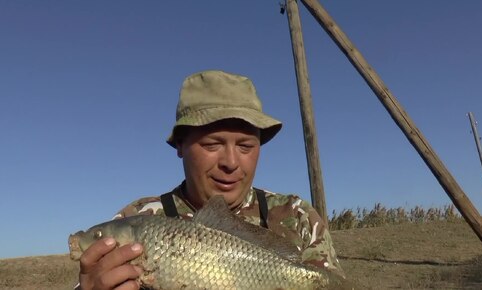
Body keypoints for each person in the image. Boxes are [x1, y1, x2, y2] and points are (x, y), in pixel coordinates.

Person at [77, 70, 345, 290]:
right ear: (181, 145)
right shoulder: (137, 218)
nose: (230, 162)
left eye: (245, 147)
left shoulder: (297, 217)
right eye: (212, 144)